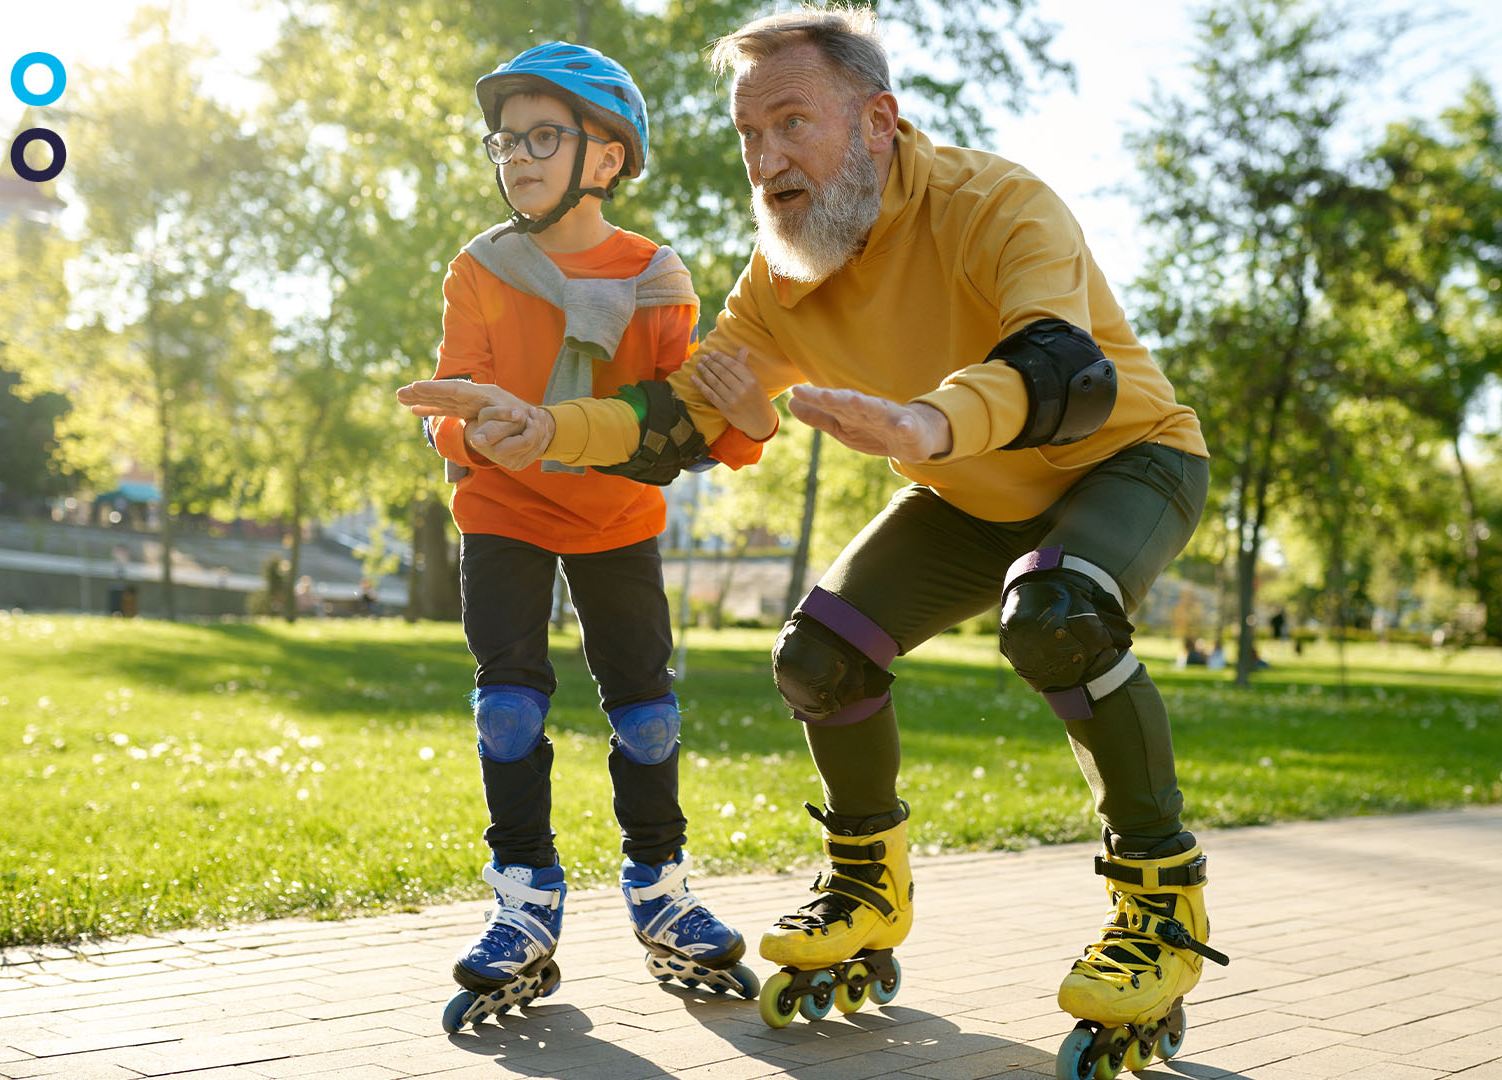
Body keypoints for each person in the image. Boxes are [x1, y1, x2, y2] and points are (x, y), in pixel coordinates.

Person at [400, 9, 1227, 1065]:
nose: (766, 160)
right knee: (819, 653)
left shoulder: (996, 205)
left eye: (793, 123)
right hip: (972, 498)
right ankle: (867, 886)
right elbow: (677, 416)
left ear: (878, 121)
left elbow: (1065, 368)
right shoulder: (780, 277)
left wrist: (930, 422)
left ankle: (1159, 906)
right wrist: (548, 428)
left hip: (1121, 460)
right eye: (750, 134)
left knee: (1056, 614)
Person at [420, 42, 781, 1030]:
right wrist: (463, 426)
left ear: (607, 159)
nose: (519, 157)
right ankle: (524, 899)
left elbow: (685, 418)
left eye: (545, 136)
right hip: (504, 511)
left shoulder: (656, 277)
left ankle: (658, 881)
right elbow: (455, 394)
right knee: (508, 709)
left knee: (647, 715)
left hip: (617, 517)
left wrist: (743, 417)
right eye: (507, 140)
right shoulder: (482, 267)